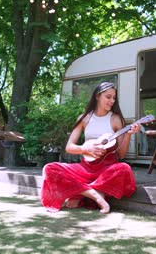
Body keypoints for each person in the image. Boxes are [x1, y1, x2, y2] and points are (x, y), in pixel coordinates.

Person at [41, 81, 141, 214]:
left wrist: (128, 135)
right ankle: (97, 196)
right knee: (50, 168)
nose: (112, 100)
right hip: (85, 168)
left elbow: (121, 155)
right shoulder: (84, 118)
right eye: (108, 96)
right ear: (97, 96)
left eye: (114, 98)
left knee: (124, 169)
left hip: (107, 169)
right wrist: (85, 149)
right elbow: (69, 147)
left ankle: (80, 193)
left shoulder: (116, 119)